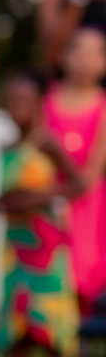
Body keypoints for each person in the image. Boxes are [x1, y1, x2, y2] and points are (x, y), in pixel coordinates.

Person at [0, 70, 83, 357]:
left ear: (37, 105)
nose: (17, 109)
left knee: (49, 320)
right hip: (15, 247)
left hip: (44, 246)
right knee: (16, 321)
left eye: (24, 102)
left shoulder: (46, 142)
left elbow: (76, 184)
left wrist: (38, 197)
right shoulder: (7, 147)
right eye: (11, 102)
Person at [46, 26, 106, 317]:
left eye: (94, 54)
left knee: (80, 288)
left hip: (86, 210)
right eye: (77, 51)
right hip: (45, 203)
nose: (84, 60)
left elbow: (91, 174)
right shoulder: (47, 100)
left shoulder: (102, 107)